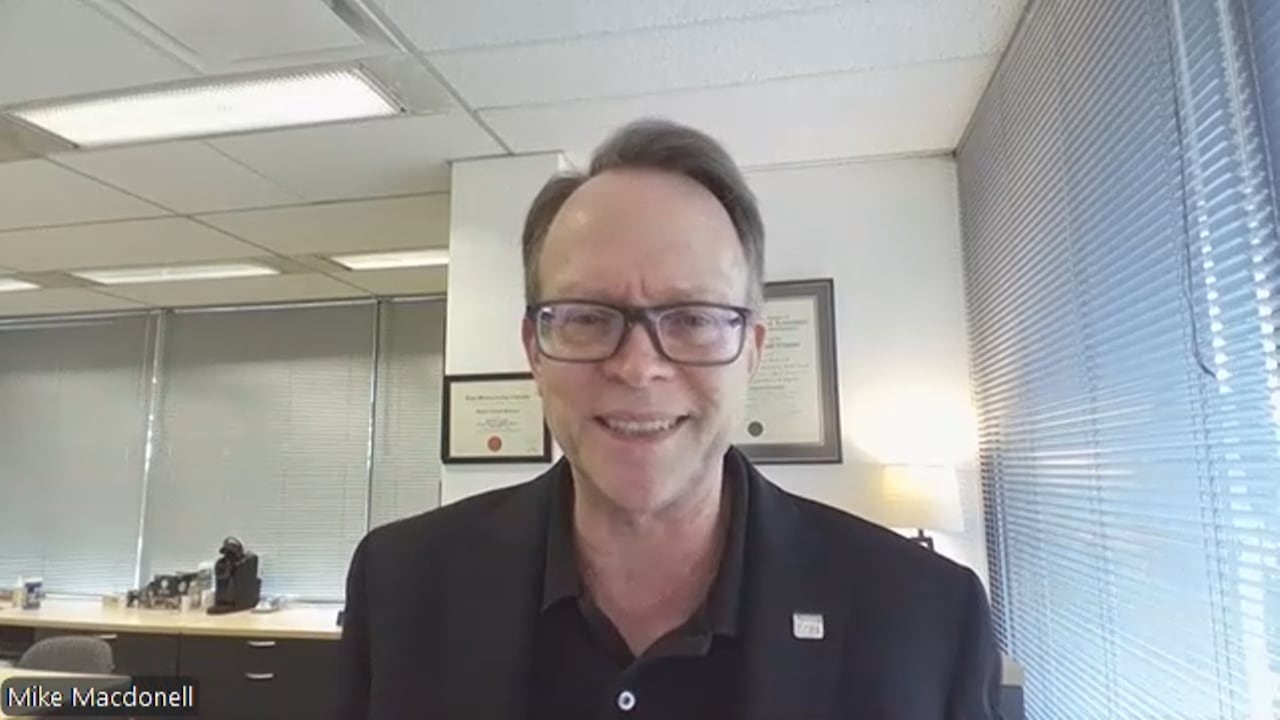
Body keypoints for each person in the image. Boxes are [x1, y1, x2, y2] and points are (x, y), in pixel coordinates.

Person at [337, 119, 1003, 720]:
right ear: (533, 349)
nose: (637, 367)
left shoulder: (925, 619)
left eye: (691, 318)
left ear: (752, 352)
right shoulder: (402, 586)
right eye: (588, 317)